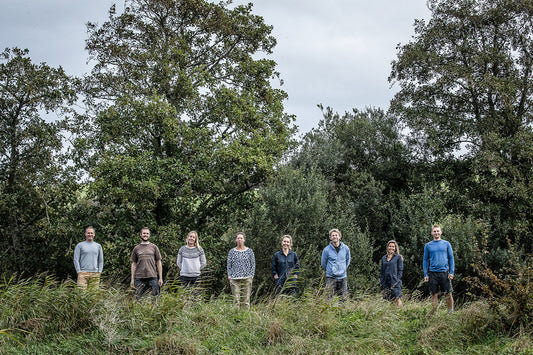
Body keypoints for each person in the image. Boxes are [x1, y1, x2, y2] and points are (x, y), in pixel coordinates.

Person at [423, 225, 455, 312]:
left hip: (445, 272)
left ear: (441, 232)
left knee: (448, 294)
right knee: (434, 294)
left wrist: (451, 272)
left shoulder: (446, 244)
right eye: (434, 231)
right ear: (432, 233)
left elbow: (451, 258)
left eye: (438, 231)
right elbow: (425, 260)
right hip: (433, 273)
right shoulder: (428, 245)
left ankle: (450, 312)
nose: (436, 233)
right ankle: (435, 313)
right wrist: (425, 274)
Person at [130, 227, 163, 299]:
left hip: (152, 276)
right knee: (139, 299)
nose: (146, 235)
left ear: (149, 235)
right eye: (144, 233)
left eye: (147, 233)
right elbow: (133, 263)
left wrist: (160, 278)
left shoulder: (154, 247)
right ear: (141, 235)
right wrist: (132, 279)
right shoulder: (136, 248)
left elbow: (158, 262)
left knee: (155, 299)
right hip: (139, 277)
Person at [227, 232, 255, 309]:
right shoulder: (232, 252)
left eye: (241, 238)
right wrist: (229, 276)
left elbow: (253, 264)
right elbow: (229, 265)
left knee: (246, 300)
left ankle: (245, 318)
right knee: (236, 300)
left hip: (246, 278)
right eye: (238, 238)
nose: (240, 240)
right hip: (234, 279)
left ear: (244, 240)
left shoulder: (249, 251)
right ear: (236, 240)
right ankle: (236, 317)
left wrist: (251, 275)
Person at [321, 228, 350, 298]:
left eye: (336, 235)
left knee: (343, 298)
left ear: (339, 237)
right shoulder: (326, 250)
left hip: (343, 277)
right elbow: (323, 263)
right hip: (331, 277)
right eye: (333, 235)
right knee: (329, 298)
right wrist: (330, 270)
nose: (334, 237)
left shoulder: (346, 248)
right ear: (330, 238)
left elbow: (348, 261)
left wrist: (342, 269)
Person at [380, 240, 403, 306]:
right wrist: (382, 280)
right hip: (385, 281)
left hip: (395, 281)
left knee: (397, 298)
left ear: (395, 248)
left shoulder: (398, 257)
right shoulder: (383, 258)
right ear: (387, 247)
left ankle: (401, 312)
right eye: (390, 246)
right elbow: (382, 270)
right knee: (388, 300)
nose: (391, 248)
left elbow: (400, 270)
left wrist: (397, 279)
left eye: (393, 246)